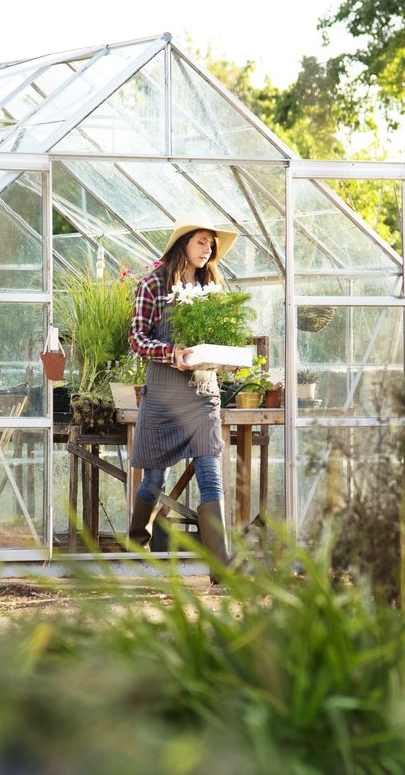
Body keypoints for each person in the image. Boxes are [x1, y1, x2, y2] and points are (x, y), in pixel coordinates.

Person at [126, 212, 237, 576]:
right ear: (183, 243)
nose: (208, 249)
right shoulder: (154, 284)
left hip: (203, 394)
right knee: (155, 478)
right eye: (201, 241)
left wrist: (226, 359)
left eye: (211, 244)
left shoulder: (214, 289)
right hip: (163, 395)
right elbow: (137, 338)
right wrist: (171, 354)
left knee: (210, 471)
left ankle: (221, 567)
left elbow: (224, 339)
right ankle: (137, 541)